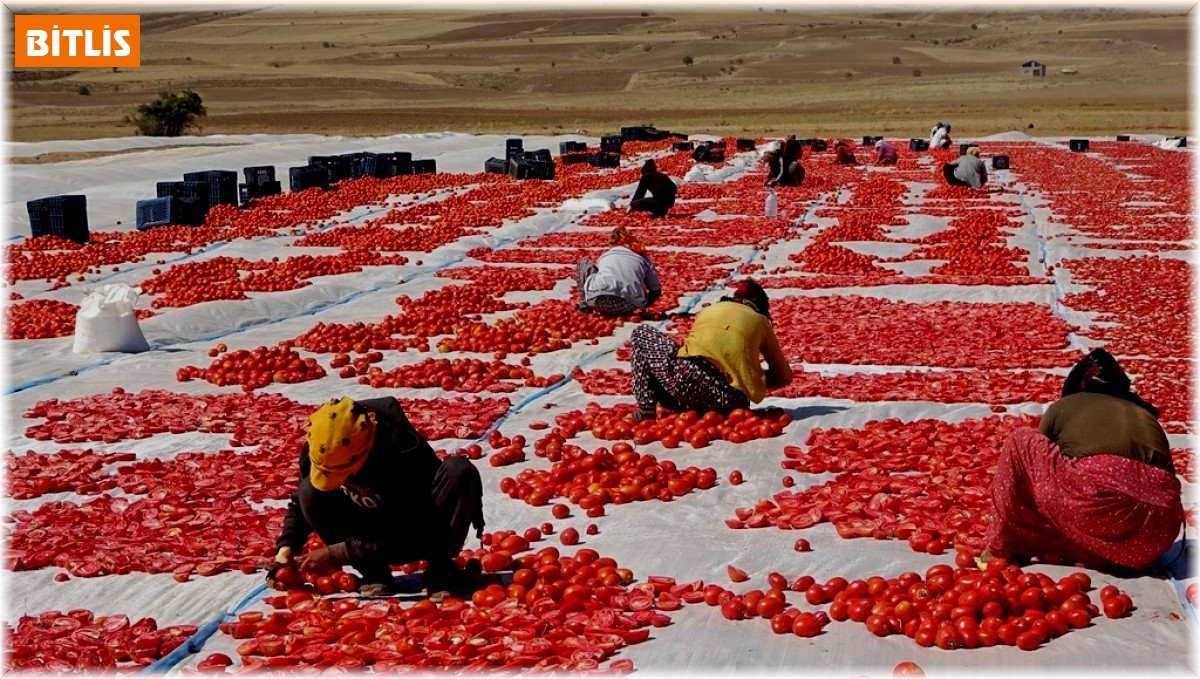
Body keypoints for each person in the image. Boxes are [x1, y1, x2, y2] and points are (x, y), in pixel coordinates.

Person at [985, 348, 1184, 573]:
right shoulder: (1145, 415)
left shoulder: (1064, 406)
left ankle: (999, 550)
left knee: (1020, 441)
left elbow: (1032, 476)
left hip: (1101, 511)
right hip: (1156, 536)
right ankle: (1101, 555)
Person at [270, 397, 485, 597]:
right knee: (308, 491)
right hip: (365, 528)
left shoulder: (402, 450)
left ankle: (441, 568)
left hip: (417, 526)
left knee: (459, 471)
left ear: (363, 453)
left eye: (341, 474)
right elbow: (301, 501)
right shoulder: (320, 445)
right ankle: (373, 573)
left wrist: (339, 553)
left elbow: (412, 527)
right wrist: (287, 547)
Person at [627, 279, 792, 421]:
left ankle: (646, 409)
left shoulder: (709, 310)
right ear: (760, 307)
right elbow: (784, 376)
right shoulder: (761, 321)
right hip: (730, 403)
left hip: (686, 385)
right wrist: (754, 378)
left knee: (641, 333)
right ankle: (704, 407)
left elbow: (693, 349)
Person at [575, 227, 662, 316]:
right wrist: (643, 305)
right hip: (629, 305)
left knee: (583, 262)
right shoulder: (642, 257)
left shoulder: (605, 255)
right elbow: (656, 290)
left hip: (599, 302)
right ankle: (623, 311)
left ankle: (584, 308)